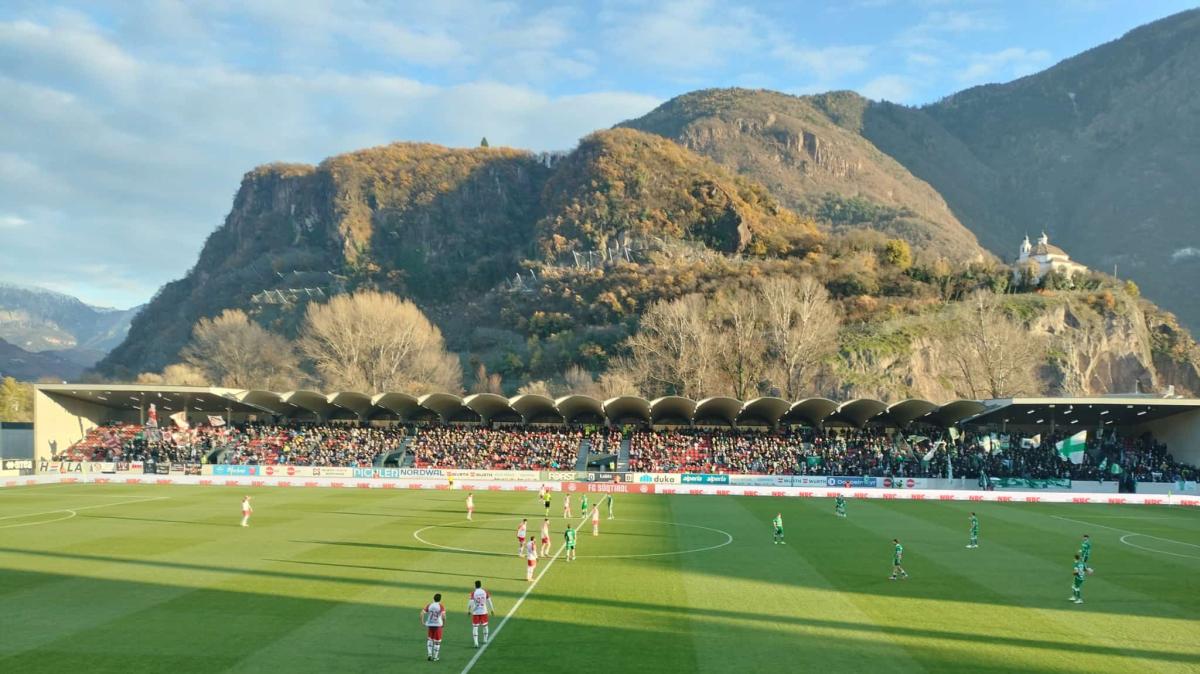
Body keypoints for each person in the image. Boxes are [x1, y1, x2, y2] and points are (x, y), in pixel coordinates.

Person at [468, 580, 495, 648]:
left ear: (475, 585)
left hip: (475, 612)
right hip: (483, 611)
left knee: (475, 627)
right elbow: (489, 601)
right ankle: (485, 640)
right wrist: (492, 610)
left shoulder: (473, 593)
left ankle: (476, 643)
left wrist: (469, 610)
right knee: (485, 626)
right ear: (480, 585)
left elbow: (471, 602)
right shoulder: (485, 591)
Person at [421, 593, 447, 661]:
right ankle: (435, 657)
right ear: (440, 599)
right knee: (437, 642)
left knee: (430, 639)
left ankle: (429, 654)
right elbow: (444, 617)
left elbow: (421, 613)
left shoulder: (429, 605)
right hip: (438, 625)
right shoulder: (441, 606)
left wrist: (422, 622)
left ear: (433, 598)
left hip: (430, 625)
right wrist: (444, 624)